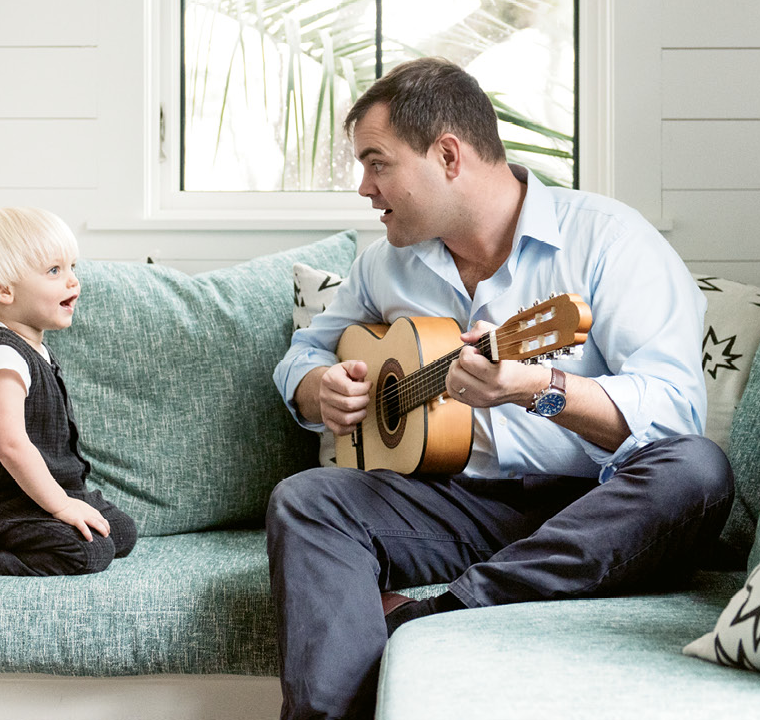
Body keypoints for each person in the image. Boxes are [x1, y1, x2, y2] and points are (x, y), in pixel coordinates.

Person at [268, 57, 733, 719]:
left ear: (448, 155)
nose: (365, 189)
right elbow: (307, 351)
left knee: (699, 471)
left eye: (377, 162)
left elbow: (674, 412)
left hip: (594, 507)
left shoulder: (608, 241)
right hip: (453, 503)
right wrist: (317, 388)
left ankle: (438, 616)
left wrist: (537, 387)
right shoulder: (383, 265)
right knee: (306, 500)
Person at [0, 206, 137, 577]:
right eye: (54, 271)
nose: (73, 281)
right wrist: (61, 506)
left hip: (35, 498)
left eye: (72, 267)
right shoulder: (1, 356)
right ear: (3, 288)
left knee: (121, 532)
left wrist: (71, 501)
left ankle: (43, 527)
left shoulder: (33, 349)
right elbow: (11, 445)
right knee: (89, 553)